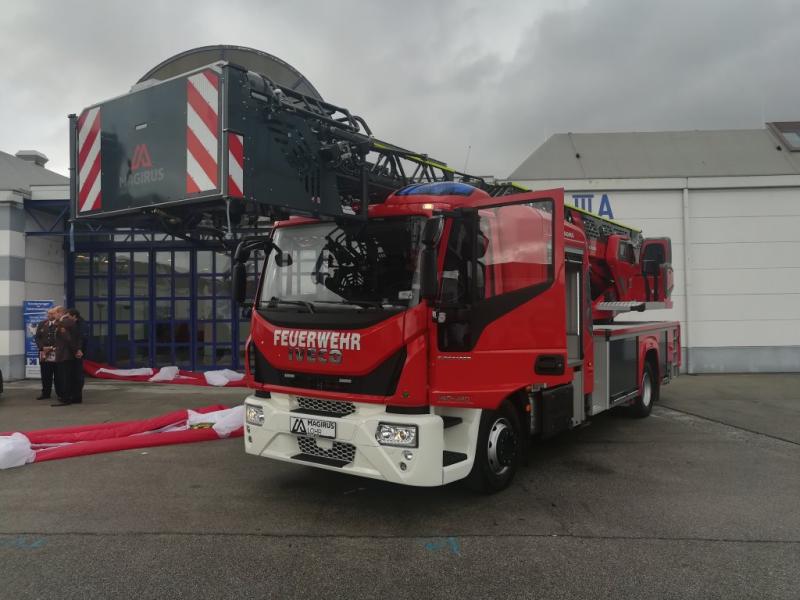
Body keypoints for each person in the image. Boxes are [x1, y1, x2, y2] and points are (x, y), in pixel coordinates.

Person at [51, 308, 80, 407]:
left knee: (65, 378)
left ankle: (66, 398)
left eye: (55, 313)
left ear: (60, 313)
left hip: (65, 354)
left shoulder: (65, 322)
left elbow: (68, 338)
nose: (53, 315)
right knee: (64, 377)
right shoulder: (64, 321)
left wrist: (75, 350)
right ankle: (67, 397)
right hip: (64, 354)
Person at [34, 307, 61, 400]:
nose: (49, 315)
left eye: (51, 313)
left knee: (58, 375)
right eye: (48, 313)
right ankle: (45, 393)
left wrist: (52, 348)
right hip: (44, 354)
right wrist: (42, 347)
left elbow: (61, 339)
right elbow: (37, 337)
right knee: (45, 375)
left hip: (56, 353)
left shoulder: (59, 324)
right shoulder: (42, 324)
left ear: (56, 314)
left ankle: (60, 393)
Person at [65, 308, 88, 403]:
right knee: (71, 375)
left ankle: (77, 397)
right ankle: (71, 395)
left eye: (68, 316)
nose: (66, 318)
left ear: (74, 316)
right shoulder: (72, 323)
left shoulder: (81, 324)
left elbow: (81, 338)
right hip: (71, 352)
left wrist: (79, 350)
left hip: (78, 353)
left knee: (77, 375)